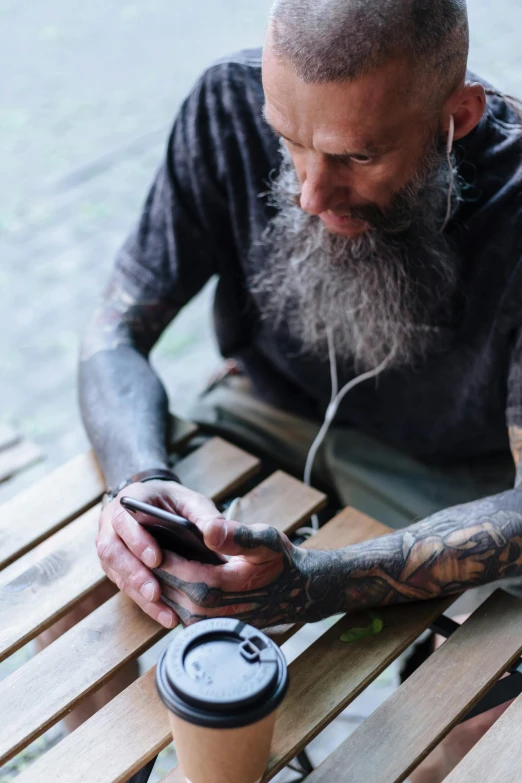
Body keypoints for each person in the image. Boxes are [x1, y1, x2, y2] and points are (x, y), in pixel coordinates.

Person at [60, 0, 522, 778]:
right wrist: (141, 485)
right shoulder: (227, 103)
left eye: (358, 156)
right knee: (90, 569)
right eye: (288, 140)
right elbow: (112, 334)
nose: (311, 192)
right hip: (261, 415)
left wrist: (313, 585)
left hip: (457, 483)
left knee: (492, 715)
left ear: (458, 117)